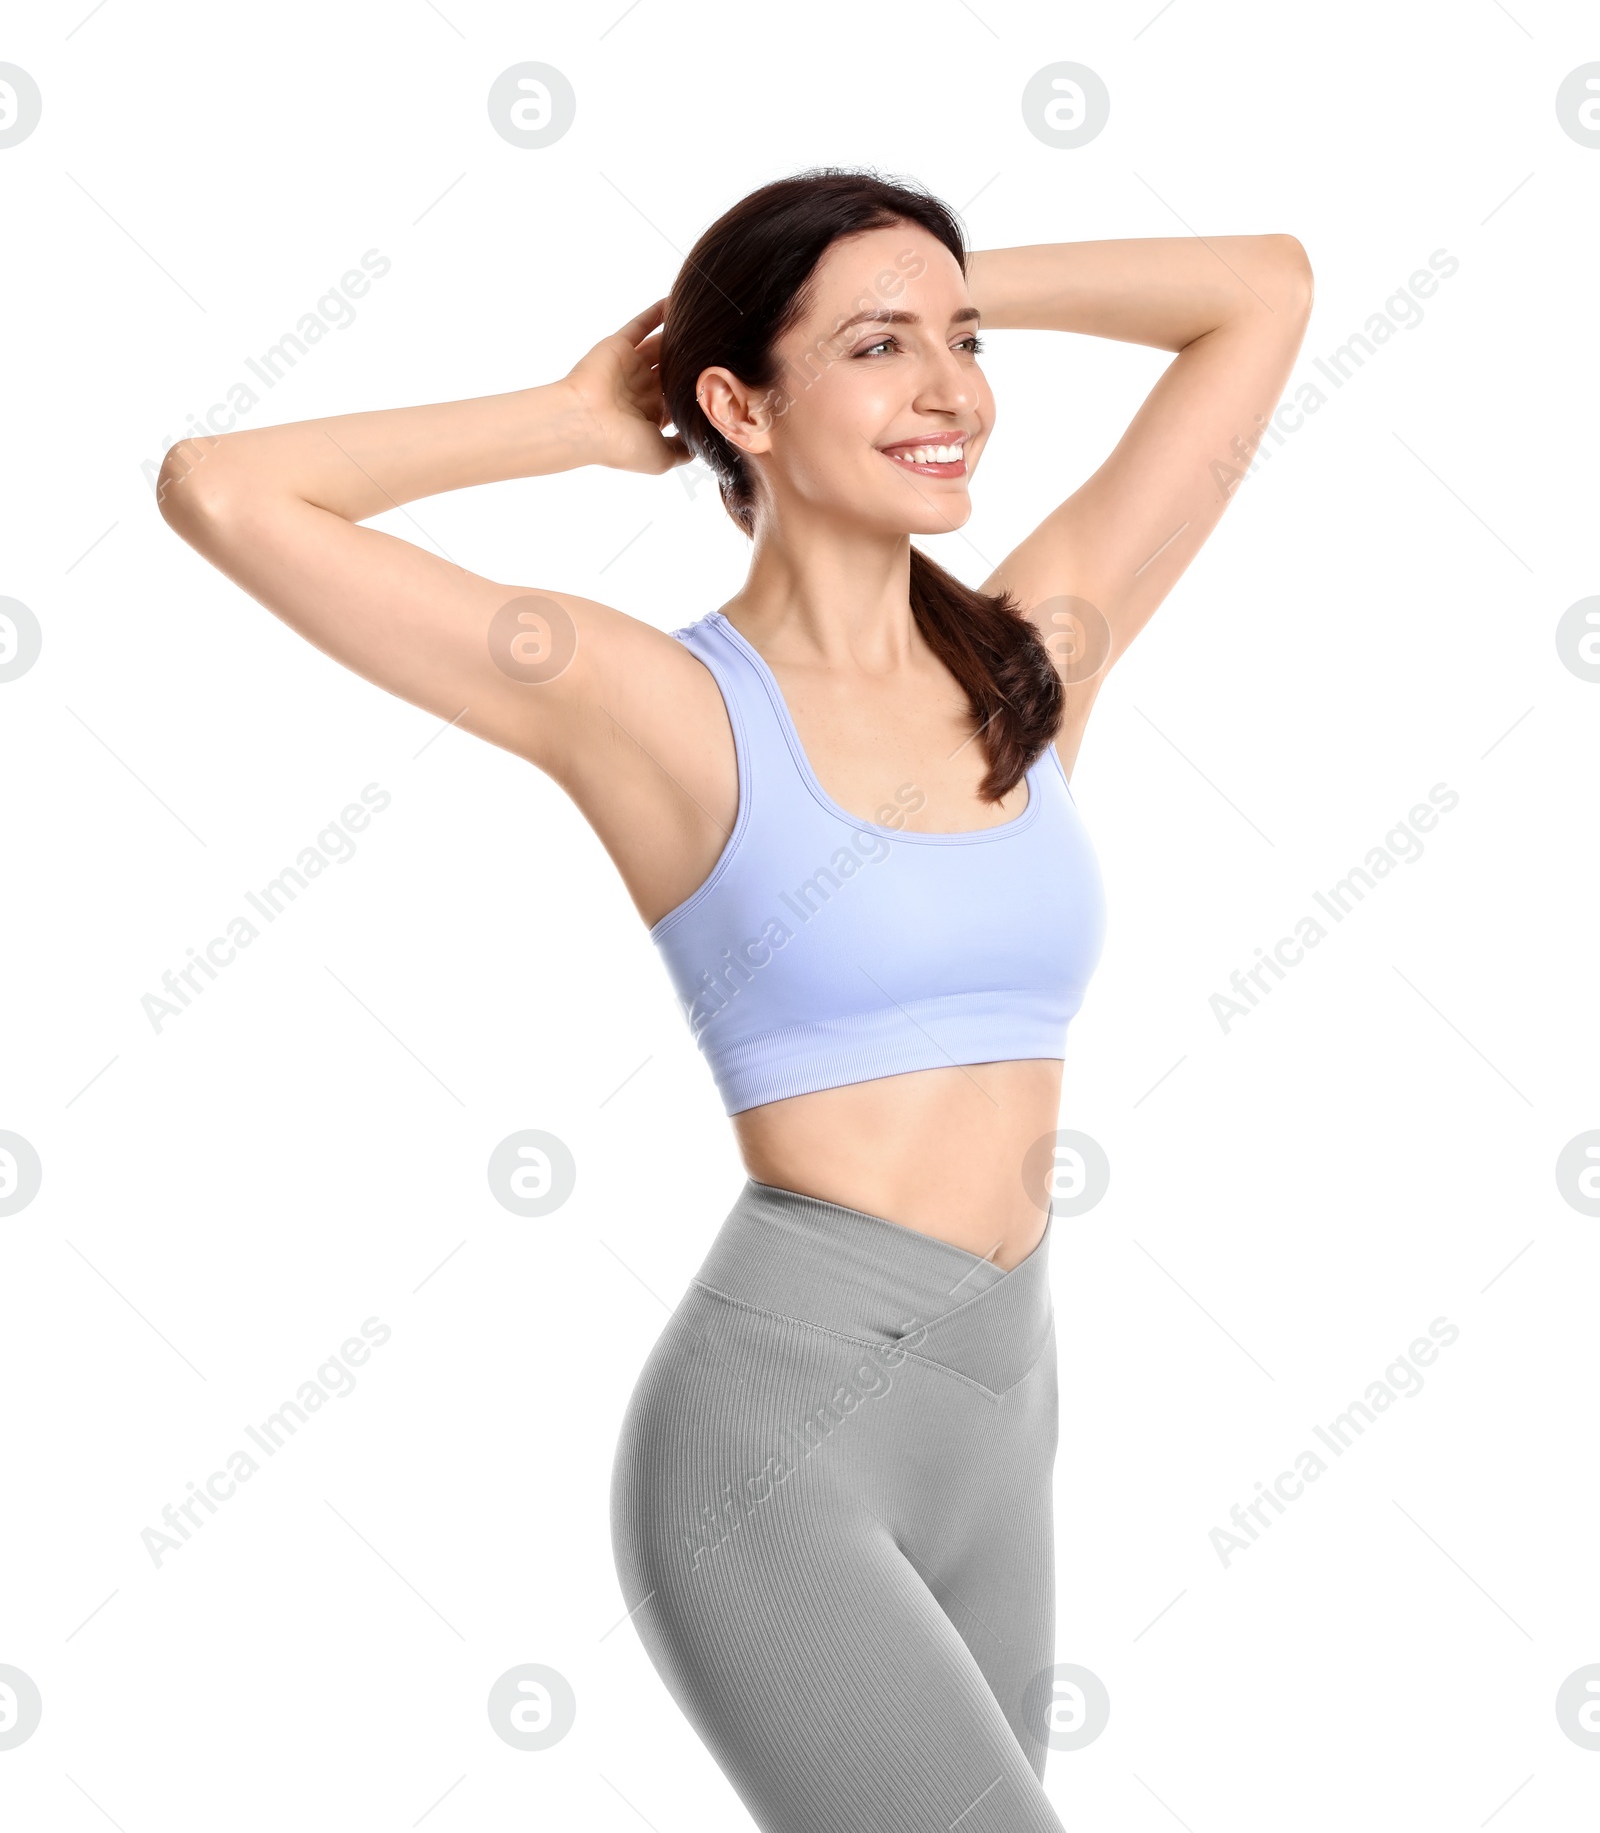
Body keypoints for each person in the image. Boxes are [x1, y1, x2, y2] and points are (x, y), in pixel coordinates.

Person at [159, 166, 1312, 1833]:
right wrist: (569, 417)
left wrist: (935, 279)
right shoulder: (648, 700)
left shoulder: (1027, 667)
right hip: (778, 1444)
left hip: (1008, 1409)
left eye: (964, 342)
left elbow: (1262, 291)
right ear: (734, 402)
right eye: (876, 348)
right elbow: (223, 490)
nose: (951, 392)